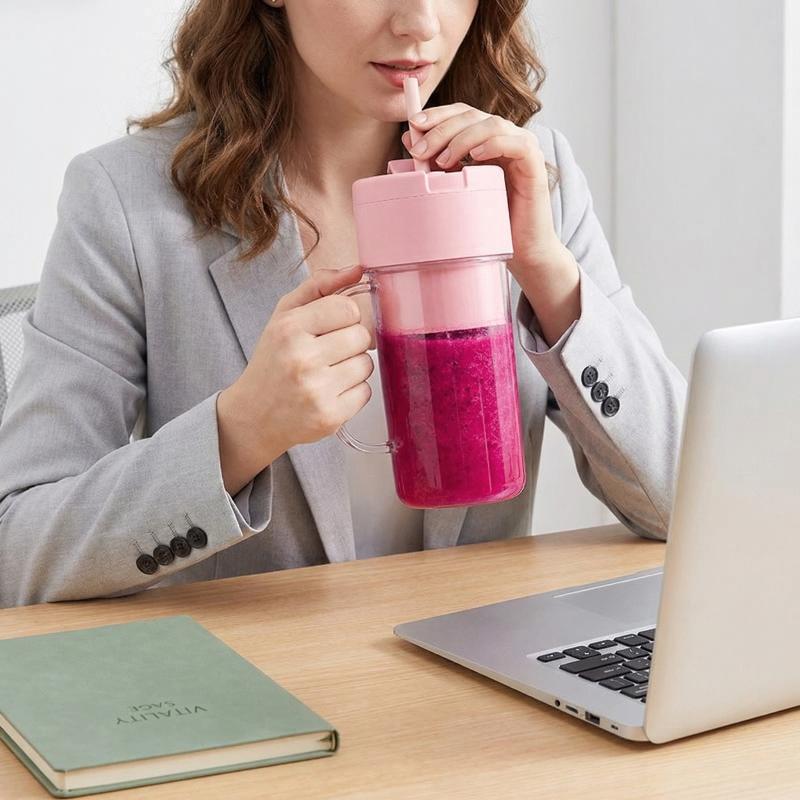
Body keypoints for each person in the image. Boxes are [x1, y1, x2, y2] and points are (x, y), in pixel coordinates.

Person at [0, 0, 687, 608]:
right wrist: (240, 431)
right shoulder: (126, 202)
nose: (420, 22)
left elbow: (686, 502)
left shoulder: (525, 181)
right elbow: (18, 551)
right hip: (266, 690)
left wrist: (547, 272)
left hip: (482, 683)